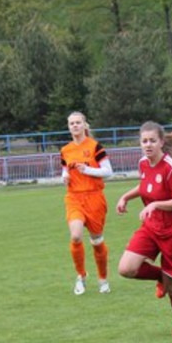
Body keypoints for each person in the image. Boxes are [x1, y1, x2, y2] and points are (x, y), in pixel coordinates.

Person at [116, 122, 172, 337]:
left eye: (152, 140)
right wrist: (126, 197)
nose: (148, 145)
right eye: (144, 141)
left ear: (161, 142)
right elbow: (145, 185)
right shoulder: (143, 163)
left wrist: (156, 205)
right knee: (126, 268)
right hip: (152, 226)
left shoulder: (171, 168)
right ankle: (162, 276)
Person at [61, 111, 114, 295]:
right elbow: (64, 170)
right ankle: (81, 276)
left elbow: (108, 172)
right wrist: (65, 177)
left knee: (97, 241)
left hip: (94, 197)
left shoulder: (95, 146)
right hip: (74, 197)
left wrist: (87, 170)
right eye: (71, 123)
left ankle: (103, 279)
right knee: (76, 236)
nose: (75, 126)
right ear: (69, 127)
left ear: (84, 125)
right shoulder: (65, 150)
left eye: (78, 122)